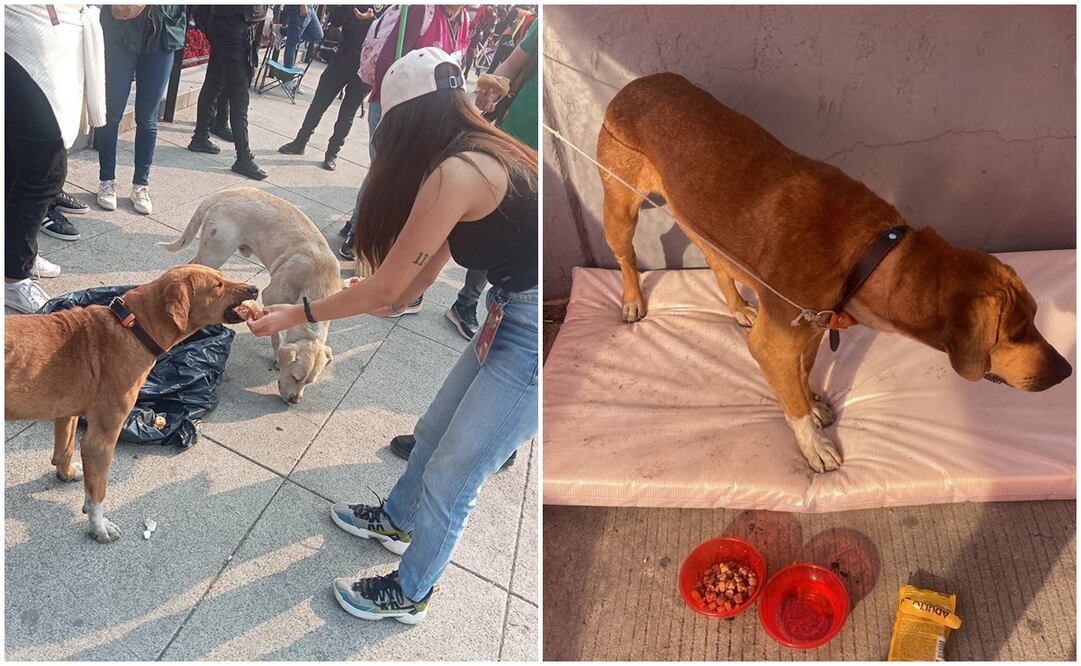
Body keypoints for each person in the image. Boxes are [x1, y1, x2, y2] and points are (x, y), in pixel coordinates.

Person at [249, 48, 537, 624]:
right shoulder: (478, 150)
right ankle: (398, 520)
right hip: (510, 312)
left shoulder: (455, 172)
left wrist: (294, 315)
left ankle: (412, 591)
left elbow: (383, 289)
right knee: (432, 432)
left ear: (405, 122)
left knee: (456, 474)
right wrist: (399, 293)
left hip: (543, 334)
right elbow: (418, 273)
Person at [338, 3, 471, 260]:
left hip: (428, 117)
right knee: (384, 172)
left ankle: (358, 223)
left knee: (394, 174)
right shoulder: (422, 10)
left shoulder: (462, 19)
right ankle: (358, 233)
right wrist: (394, 110)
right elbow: (387, 60)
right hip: (394, 108)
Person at [443, 19, 540, 345]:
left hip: (552, 161)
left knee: (506, 231)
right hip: (513, 140)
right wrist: (491, 88)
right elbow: (513, 63)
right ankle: (418, 286)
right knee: (471, 213)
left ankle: (467, 303)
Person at [6, 4, 106, 312]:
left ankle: (14, 255)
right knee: (45, 168)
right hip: (26, 27)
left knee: (17, 161)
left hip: (50, 29)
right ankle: (12, 278)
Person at [96, 5, 187, 215]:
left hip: (164, 32)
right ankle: (106, 180)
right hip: (121, 30)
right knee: (112, 113)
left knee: (148, 118)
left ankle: (141, 184)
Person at [278, 5, 378, 171]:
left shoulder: (388, 8)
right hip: (342, 56)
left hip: (365, 65)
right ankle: (300, 142)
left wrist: (372, 19)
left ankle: (332, 153)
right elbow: (335, 20)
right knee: (319, 103)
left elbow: (388, 33)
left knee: (347, 114)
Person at [187, 5, 268, 180]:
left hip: (226, 24)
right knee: (239, 96)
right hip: (233, 26)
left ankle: (201, 135)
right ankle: (243, 157)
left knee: (214, 81)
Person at [281, 4, 323, 70]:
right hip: (298, 7)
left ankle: (283, 31)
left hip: (310, 7)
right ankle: (288, 72)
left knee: (317, 36)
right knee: (292, 43)